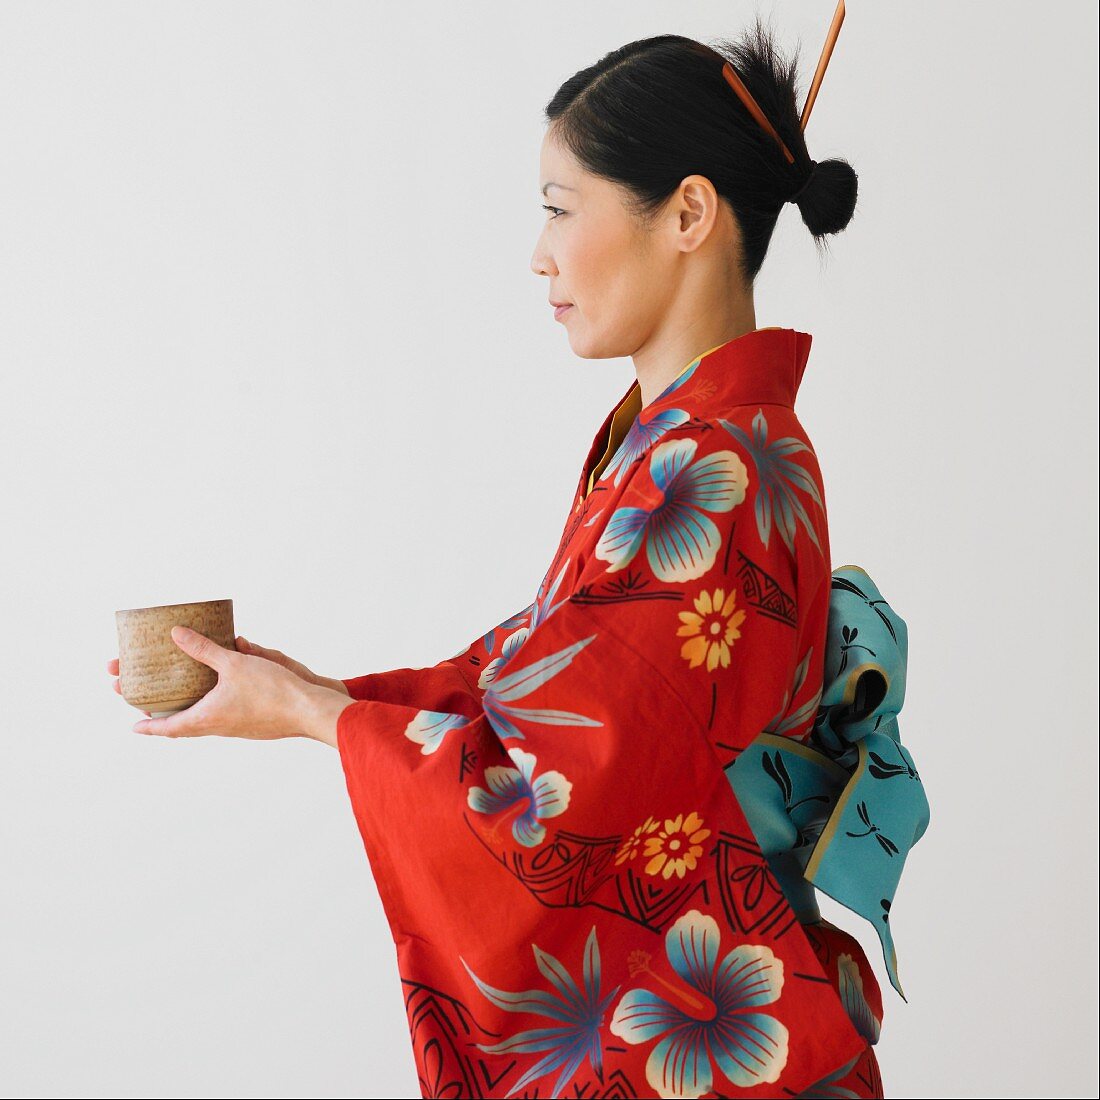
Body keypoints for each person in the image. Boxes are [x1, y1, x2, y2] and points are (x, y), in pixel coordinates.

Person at [109, 13, 930, 1098]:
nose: (538, 253)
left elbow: (571, 791)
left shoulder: (712, 464)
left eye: (558, 207)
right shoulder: (686, 441)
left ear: (686, 212)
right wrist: (320, 691)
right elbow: (553, 675)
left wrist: (322, 721)